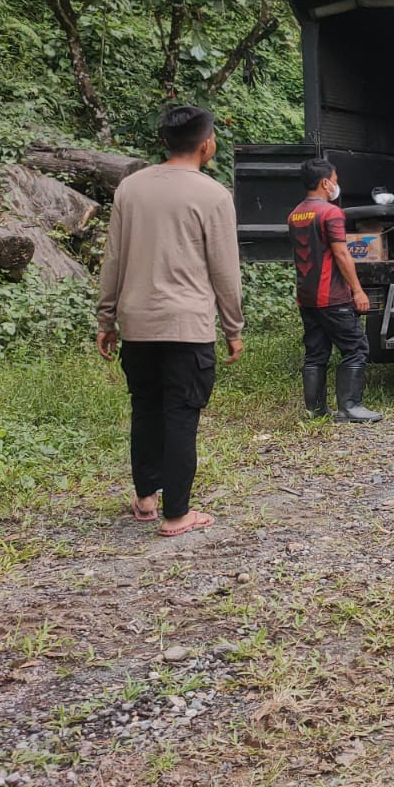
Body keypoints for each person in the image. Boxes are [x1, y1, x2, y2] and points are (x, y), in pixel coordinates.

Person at [96, 105, 243, 538]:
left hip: (137, 325)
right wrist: (232, 328)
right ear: (207, 143)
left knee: (145, 409)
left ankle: (145, 498)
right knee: (181, 416)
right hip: (187, 327)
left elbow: (113, 258)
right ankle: (177, 514)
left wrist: (106, 317)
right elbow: (225, 270)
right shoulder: (213, 195)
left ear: (165, 141)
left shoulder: (130, 188)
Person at [287, 158, 382, 423]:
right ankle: (350, 407)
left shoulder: (295, 214)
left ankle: (315, 409)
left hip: (306, 296)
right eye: (335, 181)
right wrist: (358, 291)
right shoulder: (331, 213)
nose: (336, 186)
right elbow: (341, 254)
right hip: (332, 296)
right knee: (356, 348)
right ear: (325, 183)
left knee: (315, 353)